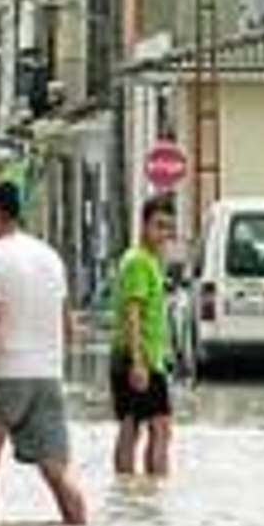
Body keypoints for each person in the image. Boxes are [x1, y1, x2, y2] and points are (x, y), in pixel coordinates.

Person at [0, 182, 87, 526]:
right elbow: (68, 328)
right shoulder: (50, 257)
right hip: (47, 377)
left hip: (1, 377)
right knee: (59, 477)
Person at [111, 195, 178, 477]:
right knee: (159, 428)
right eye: (158, 226)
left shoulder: (146, 260)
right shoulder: (139, 261)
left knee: (134, 426)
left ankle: (131, 494)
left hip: (144, 357)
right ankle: (154, 494)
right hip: (140, 358)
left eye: (168, 228)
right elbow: (133, 313)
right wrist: (139, 362)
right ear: (143, 225)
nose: (163, 234)